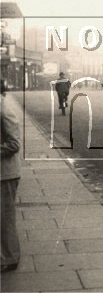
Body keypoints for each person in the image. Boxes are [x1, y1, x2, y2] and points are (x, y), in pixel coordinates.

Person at [1, 79, 21, 272]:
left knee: (5, 218)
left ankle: (10, 257)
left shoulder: (4, 109)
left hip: (6, 174)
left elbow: (14, 144)